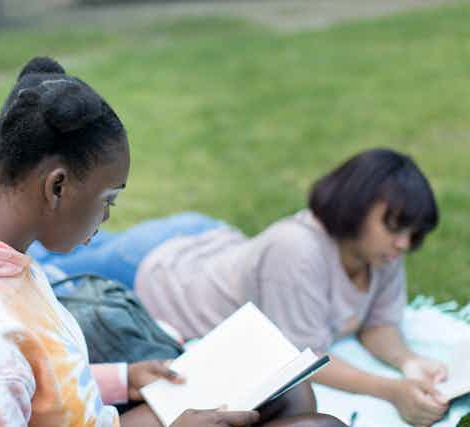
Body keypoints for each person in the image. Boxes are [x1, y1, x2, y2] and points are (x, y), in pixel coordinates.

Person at [0, 57, 344, 427]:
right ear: (57, 186)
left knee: (288, 392)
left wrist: (122, 379)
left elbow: (38, 382)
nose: (108, 215)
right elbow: (0, 379)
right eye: (108, 198)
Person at [31, 148, 450, 427]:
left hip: (208, 242)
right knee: (40, 253)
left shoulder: (382, 252)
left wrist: (410, 364)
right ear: (357, 208)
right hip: (155, 267)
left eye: (413, 234)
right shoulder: (298, 249)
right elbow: (304, 356)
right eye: (395, 229)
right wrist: (391, 390)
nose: (404, 244)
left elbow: (379, 325)